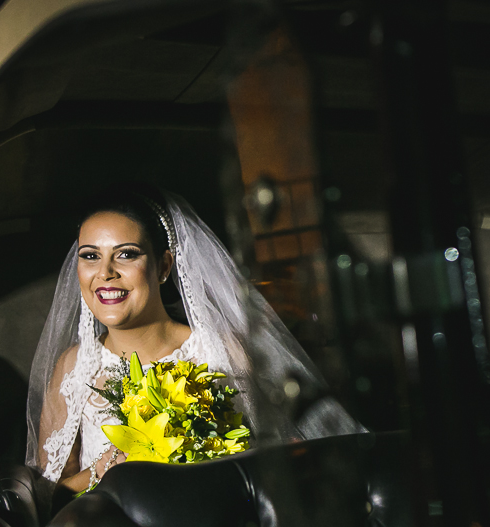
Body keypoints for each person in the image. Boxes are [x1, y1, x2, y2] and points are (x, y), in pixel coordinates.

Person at [26, 186, 361, 492]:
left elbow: (289, 462)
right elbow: (48, 497)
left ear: (163, 267)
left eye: (126, 254)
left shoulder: (223, 352)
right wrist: (104, 471)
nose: (105, 272)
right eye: (90, 255)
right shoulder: (73, 367)